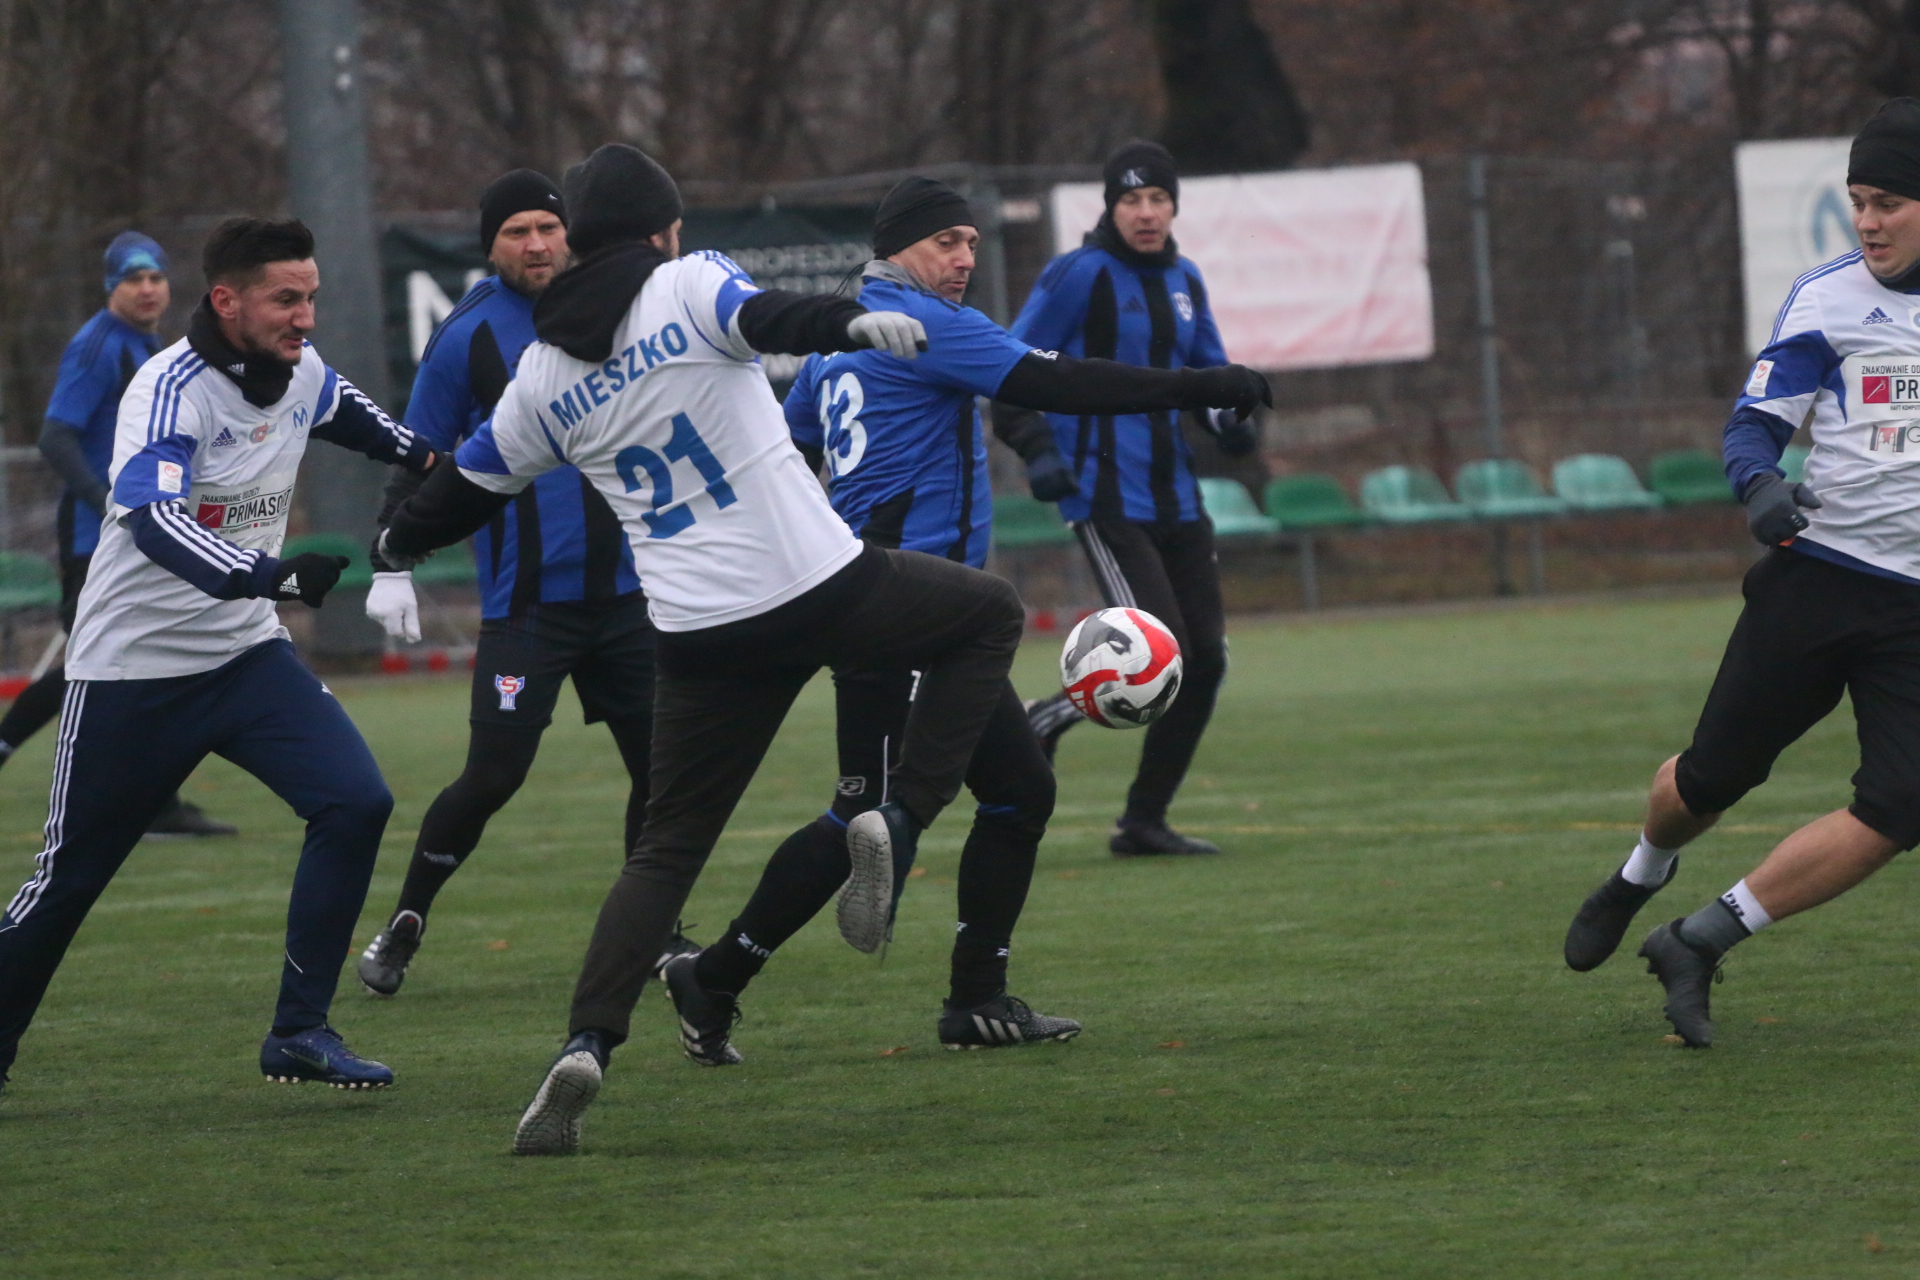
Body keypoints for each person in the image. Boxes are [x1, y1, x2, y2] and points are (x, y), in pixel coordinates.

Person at [377, 143, 1031, 1155]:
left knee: (666, 848)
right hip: (814, 584)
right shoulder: (686, 283)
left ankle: (587, 1042)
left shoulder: (540, 373)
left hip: (692, 632)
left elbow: (463, 487)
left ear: (577, 242)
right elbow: (771, 318)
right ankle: (899, 817)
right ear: (664, 230)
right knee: (987, 614)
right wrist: (849, 322)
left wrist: (394, 546)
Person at [663, 177, 1270, 1062]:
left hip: (910, 613)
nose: (963, 260)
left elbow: (789, 455)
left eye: (971, 244)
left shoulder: (835, 346)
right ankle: (720, 974)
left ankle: (969, 997)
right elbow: (1059, 382)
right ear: (896, 248)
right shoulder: (924, 325)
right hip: (909, 611)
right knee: (867, 815)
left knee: (1016, 792)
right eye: (945, 242)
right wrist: (1204, 385)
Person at [0, 217, 435, 1097]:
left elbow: (365, 423)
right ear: (227, 300)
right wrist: (272, 575)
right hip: (132, 673)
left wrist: (441, 463)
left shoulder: (302, 370)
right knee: (69, 879)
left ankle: (299, 1032)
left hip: (244, 659)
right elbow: (155, 522)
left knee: (356, 802)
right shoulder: (169, 389)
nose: (304, 316)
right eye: (286, 299)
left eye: (310, 297)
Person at [1561, 97, 1920, 1048]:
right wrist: (1759, 487)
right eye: (1858, 201)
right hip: (1820, 581)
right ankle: (1640, 873)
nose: (1868, 221)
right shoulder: (1830, 297)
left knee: (1903, 806)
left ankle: (1701, 938)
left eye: (1888, 202)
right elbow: (1755, 422)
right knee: (1710, 781)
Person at [356, 170, 694, 996]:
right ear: (490, 246)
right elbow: (419, 457)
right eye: (517, 232)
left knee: (663, 773)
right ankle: (406, 919)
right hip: (529, 607)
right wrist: (389, 559)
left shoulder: (623, 304)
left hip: (631, 599)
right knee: (493, 776)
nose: (537, 244)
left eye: (549, 226)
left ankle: (657, 934)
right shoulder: (467, 337)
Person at [1009, 140, 1257, 858]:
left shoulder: (1185, 278)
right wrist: (1038, 449)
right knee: (1161, 644)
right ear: (1110, 207)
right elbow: (1010, 370)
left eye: (1157, 199)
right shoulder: (1079, 274)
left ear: (1174, 206)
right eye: (1131, 200)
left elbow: (1208, 377)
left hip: (1177, 495)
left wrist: (1233, 421)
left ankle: (1143, 822)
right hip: (1104, 494)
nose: (1145, 213)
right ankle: (1045, 721)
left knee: (1205, 661)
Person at [0, 232, 235, 838]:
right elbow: (56, 437)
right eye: (134, 279)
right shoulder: (99, 345)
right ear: (112, 287)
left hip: (135, 529)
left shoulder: (147, 343)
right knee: (98, 664)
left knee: (138, 659)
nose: (148, 288)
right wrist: (108, 502)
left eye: (156, 277)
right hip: (95, 534)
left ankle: (158, 806)